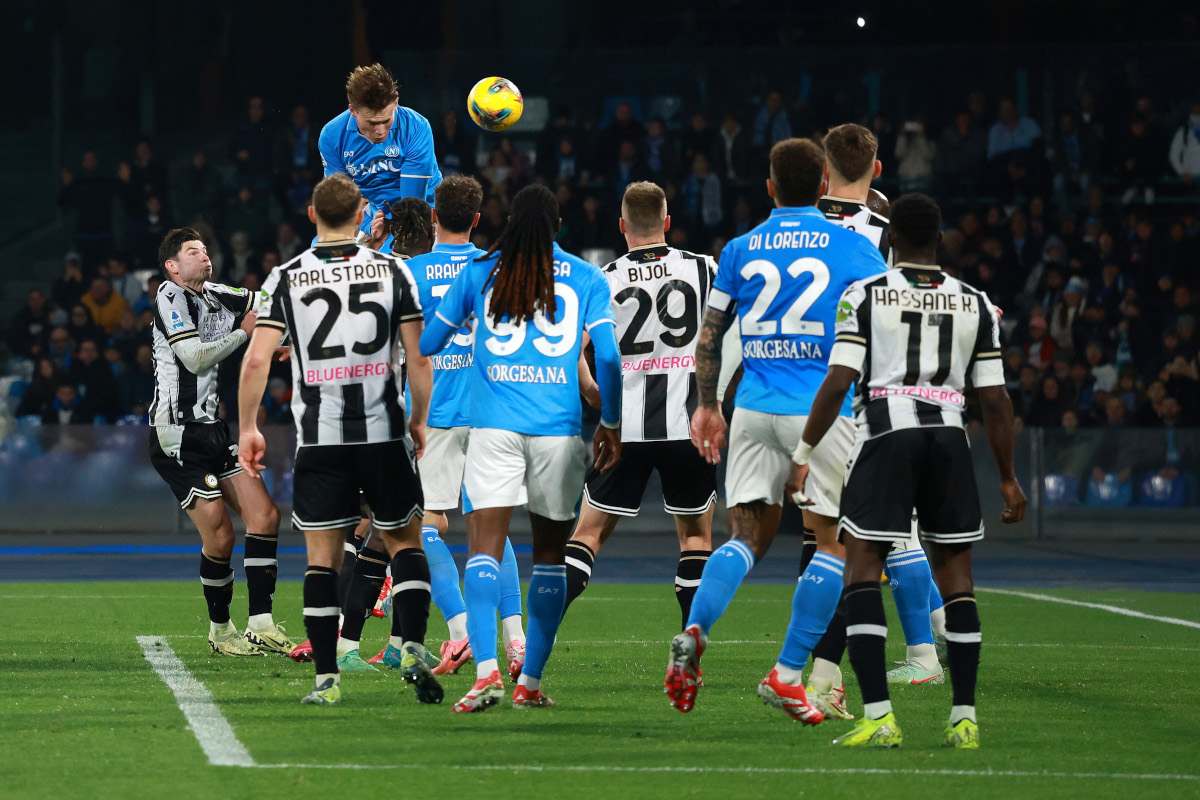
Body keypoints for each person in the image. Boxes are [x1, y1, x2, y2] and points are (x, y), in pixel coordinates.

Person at [787, 193, 1025, 748]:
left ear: (889, 239)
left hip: (886, 438)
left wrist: (802, 455)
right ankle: (963, 717)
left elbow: (839, 381)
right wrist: (1008, 476)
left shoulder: (864, 296)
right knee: (958, 579)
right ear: (940, 240)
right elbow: (995, 399)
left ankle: (881, 718)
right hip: (948, 438)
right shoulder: (975, 302)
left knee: (863, 568)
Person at [664, 138, 886, 719]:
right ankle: (789, 672)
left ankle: (695, 629)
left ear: (768, 187)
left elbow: (709, 334)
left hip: (753, 408)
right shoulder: (853, 248)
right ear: (821, 187)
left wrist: (707, 404)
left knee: (745, 537)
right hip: (820, 411)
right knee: (832, 542)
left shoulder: (740, 248)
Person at [238, 173, 440, 706]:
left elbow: (258, 358)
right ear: (359, 216)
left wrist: (248, 427)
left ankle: (326, 679)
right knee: (404, 541)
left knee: (321, 559)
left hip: (321, 441)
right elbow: (418, 357)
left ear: (311, 215)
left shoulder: (285, 277)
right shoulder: (395, 270)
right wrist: (420, 419)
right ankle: (414, 646)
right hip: (382, 433)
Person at [420, 184, 623, 712]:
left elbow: (427, 344)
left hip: (493, 430)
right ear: (558, 228)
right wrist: (613, 423)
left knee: (483, 548)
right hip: (557, 432)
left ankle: (485, 674)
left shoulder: (481, 272)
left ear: (508, 223)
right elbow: (610, 359)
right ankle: (529, 682)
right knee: (551, 557)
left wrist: (464, 321)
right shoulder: (586, 277)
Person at [560, 181, 717, 630]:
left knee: (586, 536)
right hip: (689, 424)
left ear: (621, 225)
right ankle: (691, 647)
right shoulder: (705, 269)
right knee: (694, 538)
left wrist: (594, 392)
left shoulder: (602, 278)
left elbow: (572, 350)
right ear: (667, 223)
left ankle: (534, 649)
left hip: (623, 426)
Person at [390, 177, 529, 678]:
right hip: (492, 412)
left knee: (423, 525)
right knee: (490, 527)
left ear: (433, 217)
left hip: (434, 416)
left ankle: (460, 633)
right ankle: (516, 638)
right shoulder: (497, 268)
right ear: (476, 219)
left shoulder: (408, 271)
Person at [147, 227, 291, 657]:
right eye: (193, 252)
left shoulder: (215, 292)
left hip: (213, 429)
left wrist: (277, 337)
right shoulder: (169, 296)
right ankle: (221, 629)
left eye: (206, 250)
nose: (204, 256)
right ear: (172, 266)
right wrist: (247, 335)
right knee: (222, 535)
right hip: (176, 435)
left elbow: (265, 303)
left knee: (264, 515)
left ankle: (262, 623)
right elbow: (192, 357)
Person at [318, 63, 441, 244]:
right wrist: (369, 226)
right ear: (353, 110)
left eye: (385, 120)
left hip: (422, 214)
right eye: (372, 123)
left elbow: (411, 206)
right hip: (372, 215)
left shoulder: (417, 127)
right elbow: (342, 203)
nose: (380, 131)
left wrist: (385, 230)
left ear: (396, 102)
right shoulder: (332, 136)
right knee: (323, 251)